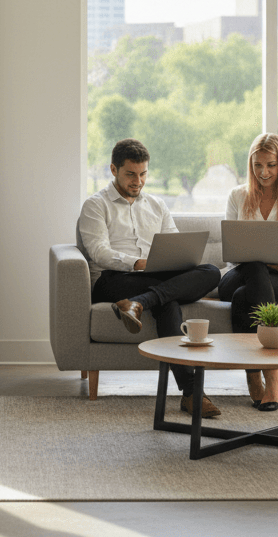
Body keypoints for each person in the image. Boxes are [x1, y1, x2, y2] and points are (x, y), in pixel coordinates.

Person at [78, 138, 223, 417]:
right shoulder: (95, 205)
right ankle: (192, 392)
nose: (138, 181)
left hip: (152, 280)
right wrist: (137, 263)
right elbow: (98, 252)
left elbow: (174, 245)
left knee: (211, 272)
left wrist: (177, 262)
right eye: (130, 174)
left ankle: (139, 303)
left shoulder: (156, 205)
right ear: (113, 169)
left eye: (143, 173)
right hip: (114, 279)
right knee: (167, 298)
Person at [220, 133, 278, 412]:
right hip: (240, 272)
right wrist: (252, 258)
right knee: (253, 264)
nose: (263, 172)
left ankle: (254, 375)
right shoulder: (237, 196)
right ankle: (273, 374)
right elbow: (232, 247)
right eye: (257, 165)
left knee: (243, 297)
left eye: (271, 165)